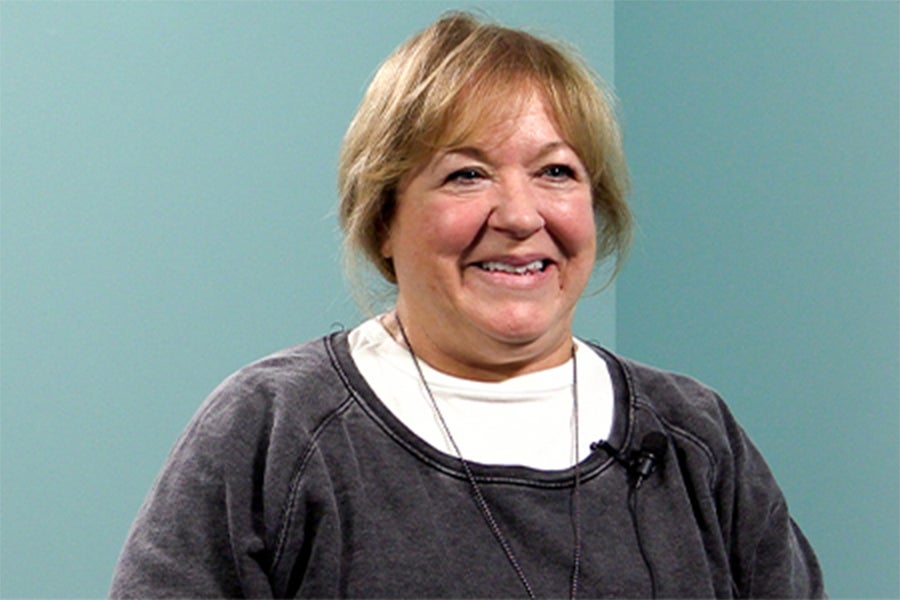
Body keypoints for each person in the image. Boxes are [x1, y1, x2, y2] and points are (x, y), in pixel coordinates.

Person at [110, 12, 825, 599]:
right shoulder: (275, 432)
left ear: (594, 210)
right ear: (383, 219)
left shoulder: (695, 439)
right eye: (466, 174)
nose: (520, 214)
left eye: (556, 171)